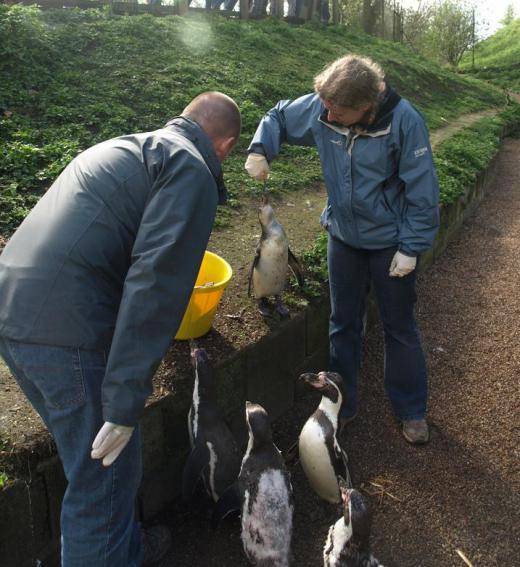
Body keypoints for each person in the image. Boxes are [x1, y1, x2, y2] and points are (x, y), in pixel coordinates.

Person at [0, 91, 240, 566]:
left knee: (104, 465)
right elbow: (155, 282)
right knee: (102, 478)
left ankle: (125, 549)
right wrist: (126, 398)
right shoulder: (192, 169)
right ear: (227, 146)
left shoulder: (131, 145)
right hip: (64, 332)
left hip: (15, 310)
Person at [244, 54, 439, 444]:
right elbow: (281, 117)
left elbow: (423, 192)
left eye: (338, 112)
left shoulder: (405, 123)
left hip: (390, 245)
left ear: (366, 107)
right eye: (325, 107)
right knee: (343, 324)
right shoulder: (325, 105)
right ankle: (341, 405)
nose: (327, 117)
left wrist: (411, 247)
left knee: (399, 326)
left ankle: (411, 408)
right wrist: (261, 147)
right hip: (344, 238)